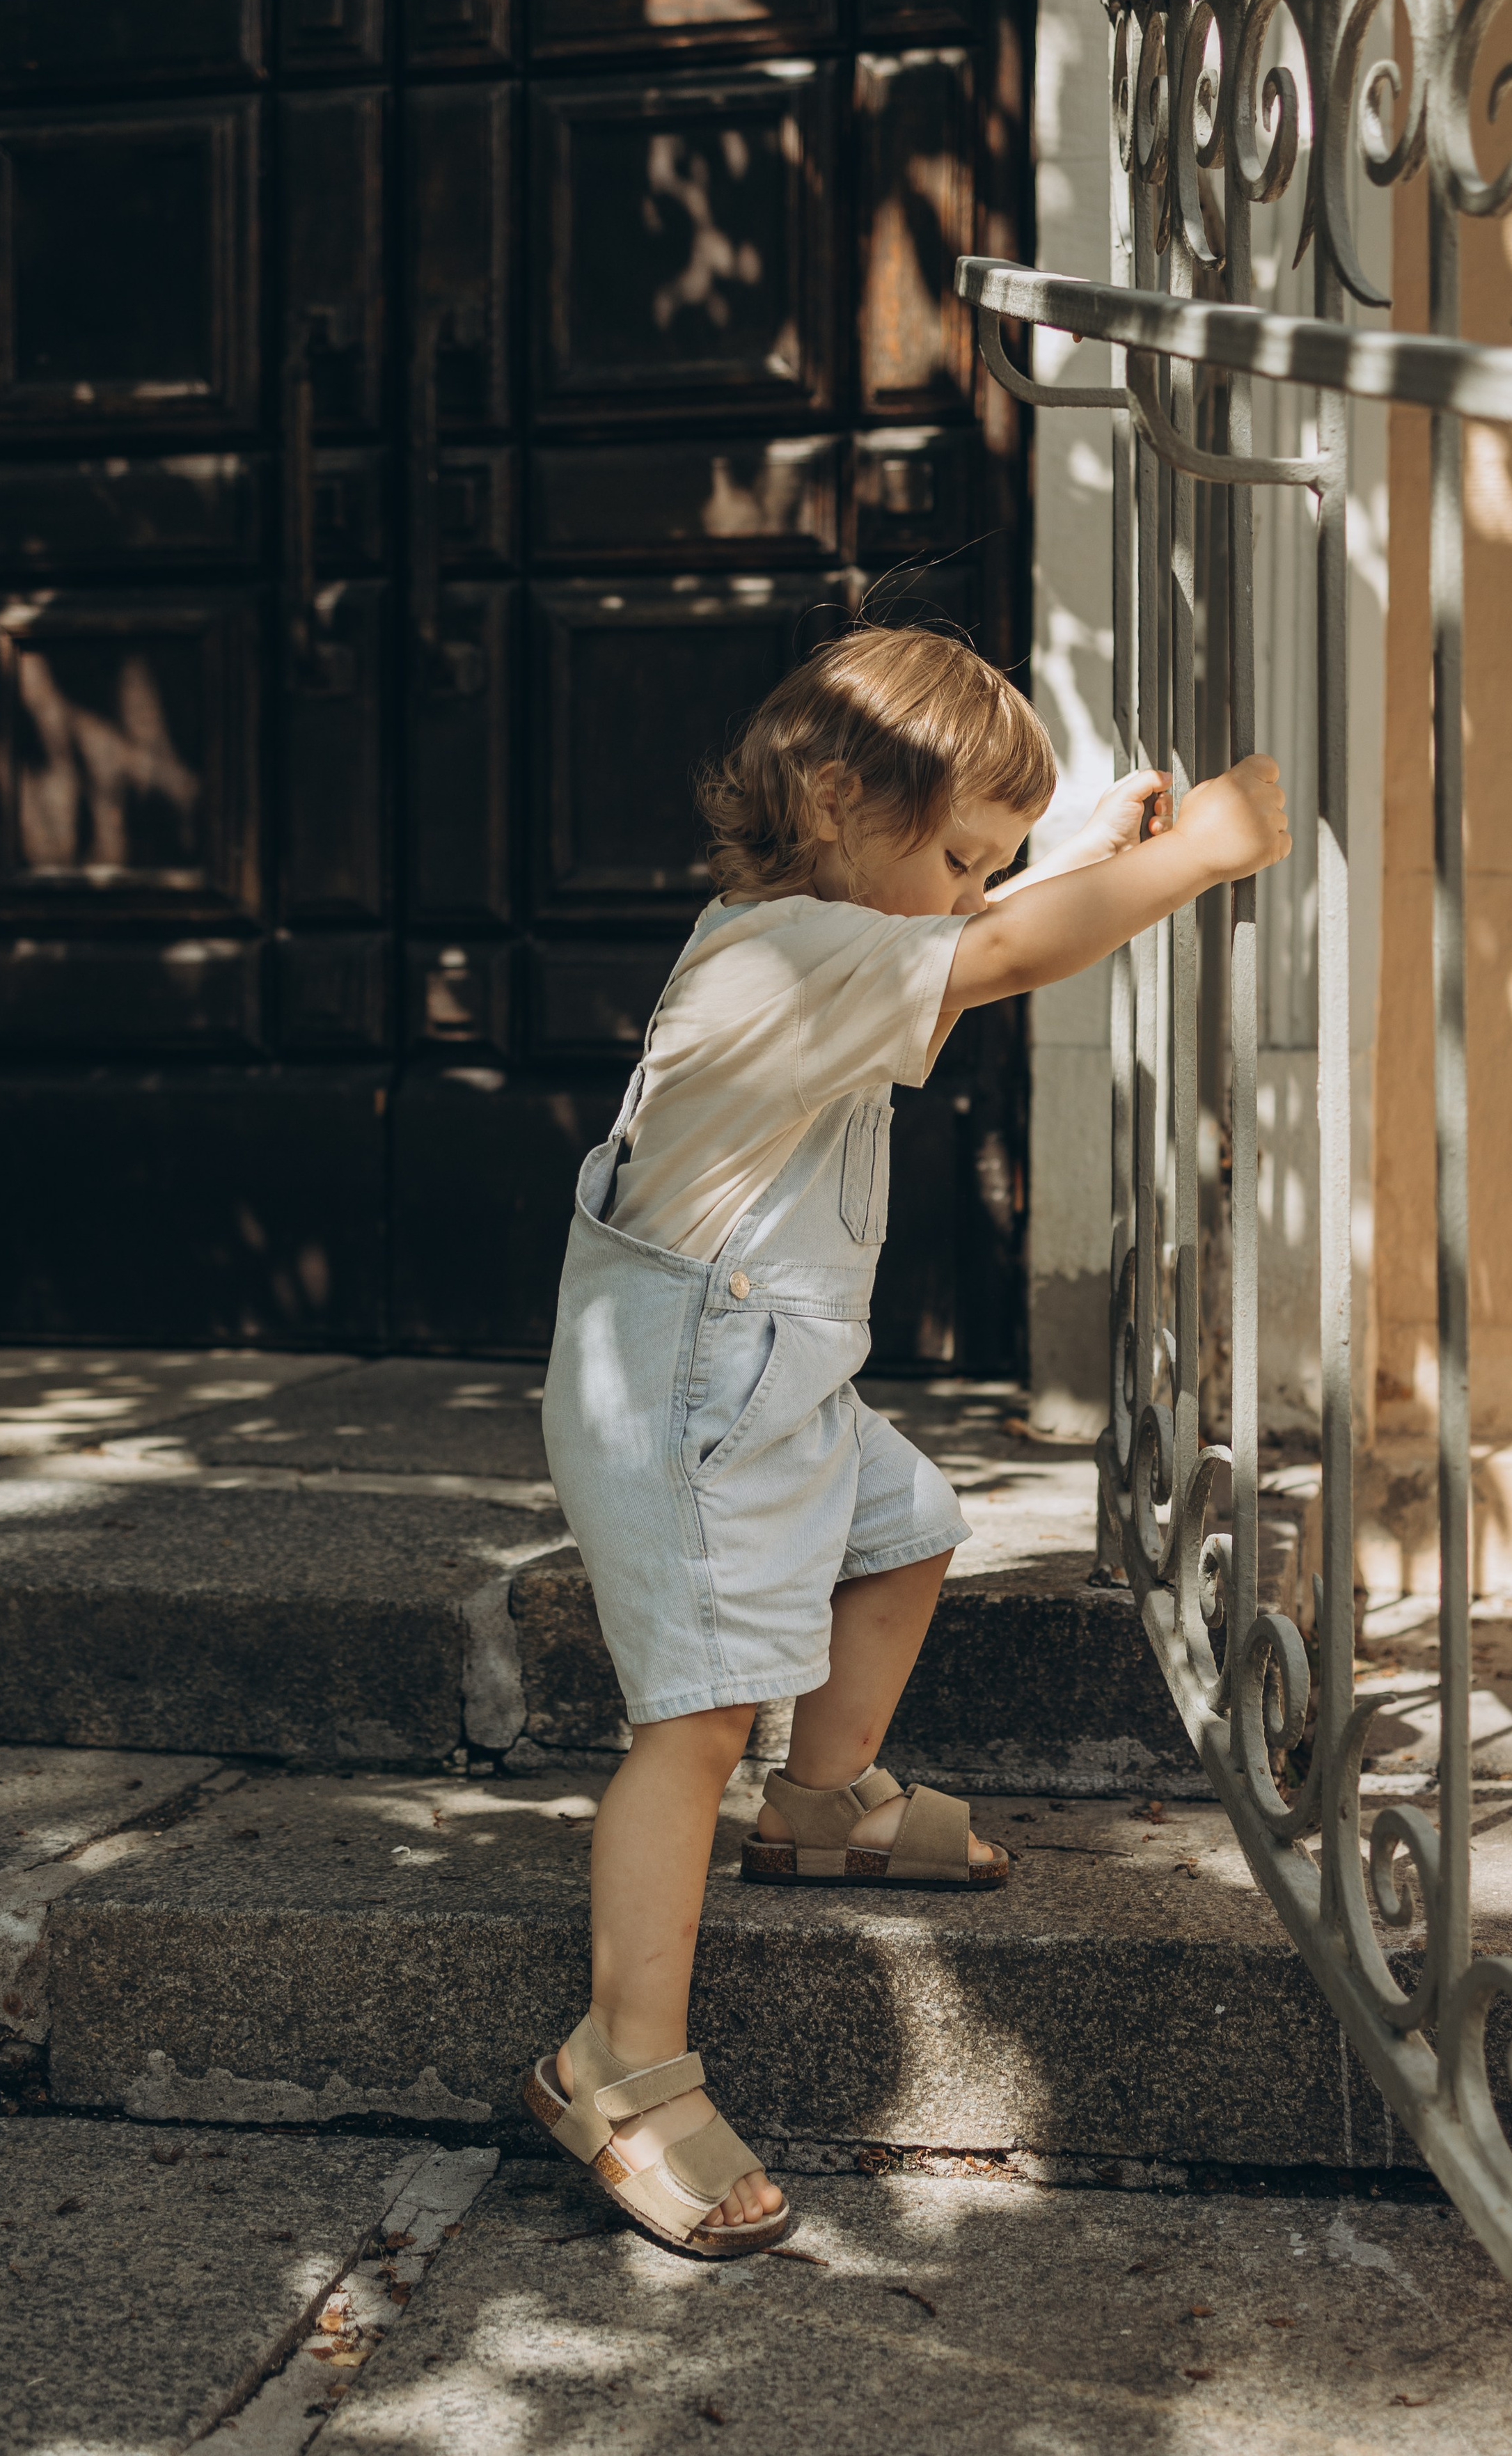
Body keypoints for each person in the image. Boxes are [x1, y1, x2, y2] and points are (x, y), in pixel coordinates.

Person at [526, 624, 1290, 2256]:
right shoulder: (778, 960)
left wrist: (1071, 854)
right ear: (829, 800)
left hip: (765, 1382)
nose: (970, 892)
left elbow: (973, 934)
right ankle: (620, 2062)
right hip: (683, 1405)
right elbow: (1000, 957)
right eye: (955, 855)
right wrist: (1193, 857)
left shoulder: (828, 933)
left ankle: (821, 1803)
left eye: (988, 865)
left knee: (909, 1528)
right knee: (691, 1721)